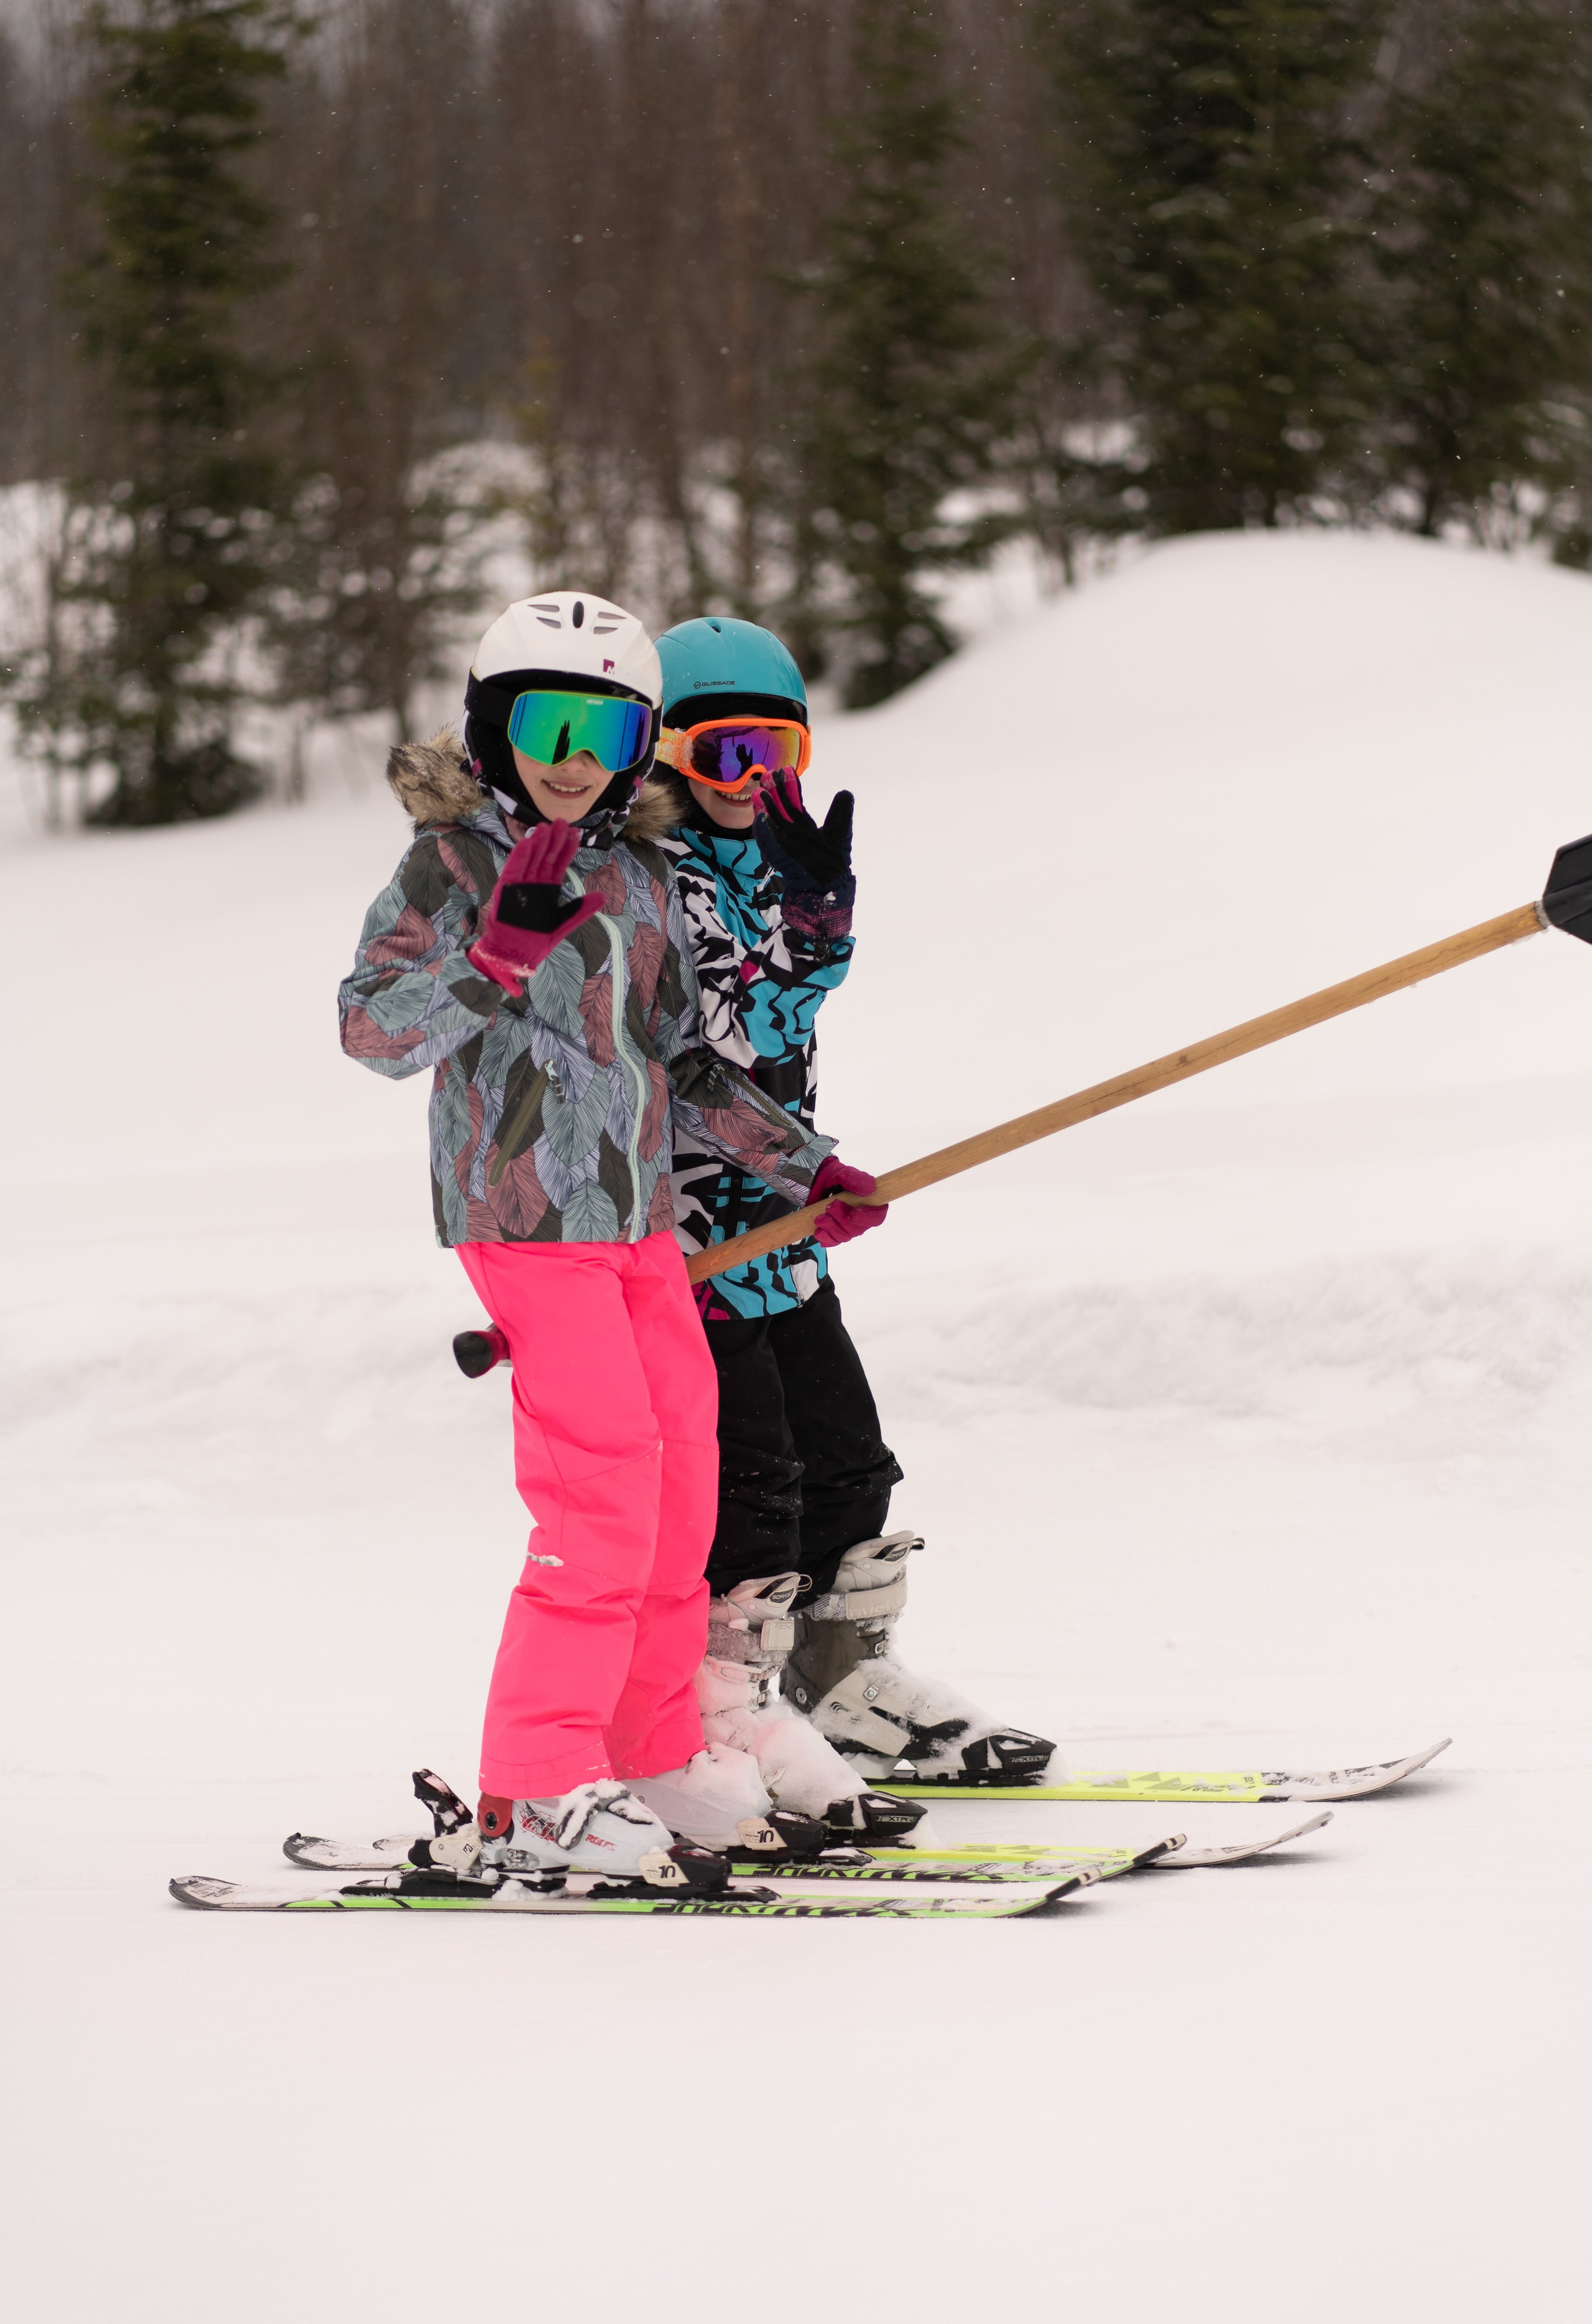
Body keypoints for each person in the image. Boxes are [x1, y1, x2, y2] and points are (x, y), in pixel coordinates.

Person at [338, 591, 884, 1881]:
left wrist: (802, 1167)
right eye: (548, 725)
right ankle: (532, 1787)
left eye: (610, 730)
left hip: (638, 1218)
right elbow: (372, 1030)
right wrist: (493, 956)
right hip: (526, 1219)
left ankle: (652, 1751)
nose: (575, 758)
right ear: (494, 729)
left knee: (680, 1488)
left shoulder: (635, 876)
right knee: (600, 1500)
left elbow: (681, 1062)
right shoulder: (449, 866)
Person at [651, 615, 1057, 1815]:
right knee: (753, 1487)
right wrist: (819, 940)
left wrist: (805, 1171)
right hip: (693, 1236)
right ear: (664, 753)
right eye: (721, 753)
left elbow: (779, 1042)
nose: (750, 780)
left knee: (845, 1461)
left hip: (777, 1233)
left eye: (775, 752)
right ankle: (730, 1717)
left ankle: (842, 1687)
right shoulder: (653, 880)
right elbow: (719, 1048)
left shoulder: (766, 863)